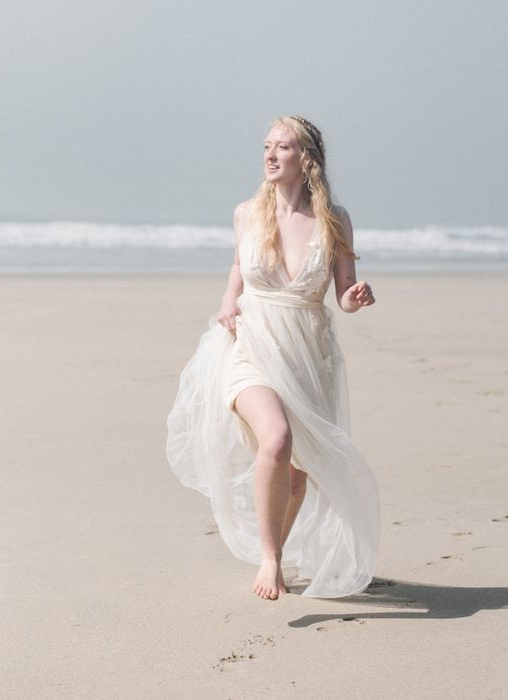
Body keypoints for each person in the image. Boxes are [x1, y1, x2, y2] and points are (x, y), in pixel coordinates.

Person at [166, 115, 380, 601]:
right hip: (250, 346)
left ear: (306, 160)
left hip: (306, 353)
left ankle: (275, 552)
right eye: (266, 146)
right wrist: (226, 304)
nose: (269, 155)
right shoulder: (246, 212)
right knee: (278, 440)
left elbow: (342, 295)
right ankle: (270, 558)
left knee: (299, 470)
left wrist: (357, 297)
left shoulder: (334, 219)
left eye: (282, 147)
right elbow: (238, 270)